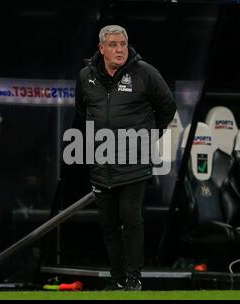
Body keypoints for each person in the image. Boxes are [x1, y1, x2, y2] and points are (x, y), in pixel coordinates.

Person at [75, 25, 177, 290]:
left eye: (123, 44)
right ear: (101, 48)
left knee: (131, 221)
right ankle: (118, 280)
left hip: (134, 162)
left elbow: (168, 107)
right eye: (113, 44)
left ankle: (134, 279)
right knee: (108, 226)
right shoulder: (86, 76)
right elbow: (82, 111)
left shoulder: (145, 72)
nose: (120, 49)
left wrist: (148, 138)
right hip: (101, 163)